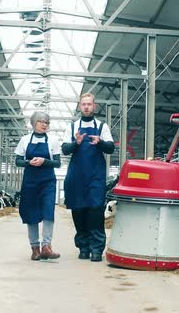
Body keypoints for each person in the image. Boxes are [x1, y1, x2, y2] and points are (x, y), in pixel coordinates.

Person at [62, 93, 115, 262]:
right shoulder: (72, 127)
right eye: (83, 104)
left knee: (94, 210)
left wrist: (100, 142)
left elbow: (111, 148)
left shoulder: (101, 126)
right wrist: (76, 143)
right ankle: (83, 247)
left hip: (95, 175)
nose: (86, 107)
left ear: (94, 106)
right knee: (78, 210)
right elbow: (65, 149)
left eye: (89, 104)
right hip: (76, 175)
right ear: (79, 106)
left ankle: (96, 249)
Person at [14, 111, 62, 261]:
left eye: (47, 122)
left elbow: (58, 163)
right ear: (34, 123)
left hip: (48, 180)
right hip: (30, 181)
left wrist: (44, 161)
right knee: (31, 213)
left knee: (48, 210)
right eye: (41, 121)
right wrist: (28, 162)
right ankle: (35, 248)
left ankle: (46, 246)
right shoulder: (25, 140)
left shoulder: (53, 140)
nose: (44, 124)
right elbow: (18, 161)